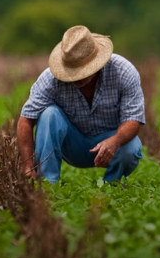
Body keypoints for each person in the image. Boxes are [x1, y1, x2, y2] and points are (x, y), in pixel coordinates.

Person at [17, 25, 146, 183]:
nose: (77, 77)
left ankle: (113, 185)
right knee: (49, 114)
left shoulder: (123, 72)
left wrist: (115, 141)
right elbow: (25, 119)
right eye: (73, 71)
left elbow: (133, 119)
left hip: (110, 141)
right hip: (73, 145)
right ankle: (47, 184)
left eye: (82, 70)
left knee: (131, 147)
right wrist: (27, 166)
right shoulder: (50, 79)